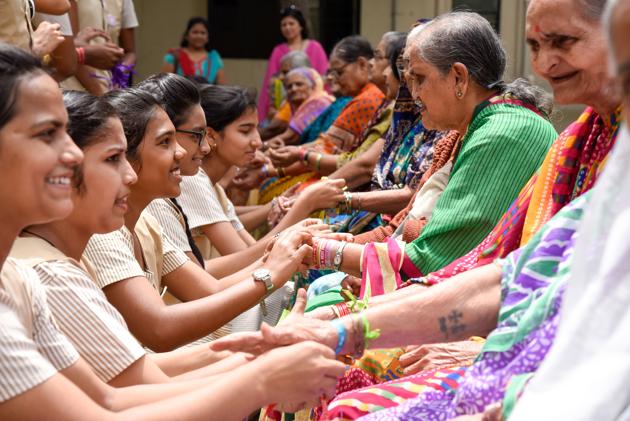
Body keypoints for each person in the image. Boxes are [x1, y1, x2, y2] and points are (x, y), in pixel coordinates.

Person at [0, 43, 345, 419]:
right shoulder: (49, 272)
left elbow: (110, 399)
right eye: (47, 133)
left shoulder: (20, 279)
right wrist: (260, 372)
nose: (70, 154)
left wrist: (265, 352)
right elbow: (134, 375)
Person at [82, 86, 312, 351]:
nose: (184, 151)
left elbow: (209, 288)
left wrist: (281, 256)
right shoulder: (103, 234)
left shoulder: (146, 223)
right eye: (165, 142)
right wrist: (273, 266)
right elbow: (160, 330)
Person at [259, 35, 386, 204]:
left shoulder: (365, 98)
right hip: (328, 172)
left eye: (339, 72)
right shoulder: (355, 98)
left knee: (278, 198)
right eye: (288, 84)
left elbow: (328, 149)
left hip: (342, 179)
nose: (334, 79)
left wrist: (269, 167)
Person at [258, 4, 328, 122]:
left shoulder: (316, 47)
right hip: (284, 106)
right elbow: (271, 83)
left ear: (301, 26)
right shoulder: (278, 50)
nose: (287, 28)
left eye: (291, 23)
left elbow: (324, 79)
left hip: (313, 106)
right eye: (283, 25)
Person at [264, 67, 334, 147]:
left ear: (312, 86)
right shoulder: (296, 106)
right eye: (289, 87)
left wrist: (263, 145)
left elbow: (290, 137)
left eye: (299, 84)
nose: (293, 89)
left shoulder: (318, 103)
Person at [162, 17, 225, 85]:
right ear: (186, 36)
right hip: (181, 95)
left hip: (207, 95)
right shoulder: (174, 55)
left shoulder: (214, 58)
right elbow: (165, 86)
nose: (199, 36)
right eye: (195, 32)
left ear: (208, 37)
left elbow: (222, 87)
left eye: (203, 33)